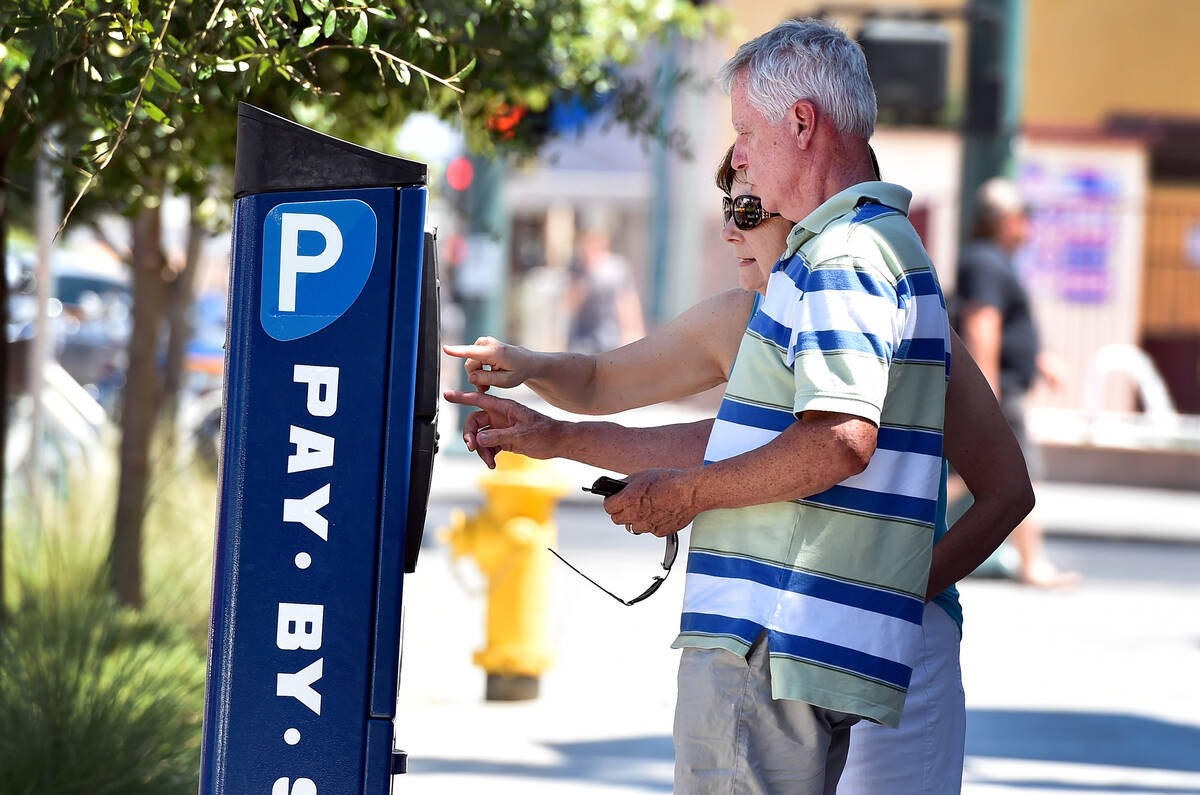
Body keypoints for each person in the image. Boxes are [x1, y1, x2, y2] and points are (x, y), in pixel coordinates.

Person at [447, 141, 1032, 793]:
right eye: (726, 207)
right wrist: (538, 396)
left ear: (802, 212)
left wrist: (904, 591)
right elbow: (607, 384)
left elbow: (1006, 490)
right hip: (777, 638)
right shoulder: (744, 316)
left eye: (749, 209)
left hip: (900, 651)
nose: (729, 229)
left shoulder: (896, 307)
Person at [956, 176, 1078, 588]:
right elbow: (982, 324)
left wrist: (1037, 359)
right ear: (1006, 220)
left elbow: (1002, 327)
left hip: (1004, 387)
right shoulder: (986, 261)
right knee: (1016, 477)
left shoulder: (990, 261)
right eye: (1024, 217)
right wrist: (986, 392)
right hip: (1000, 392)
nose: (1029, 226)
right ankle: (1032, 564)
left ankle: (1029, 562)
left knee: (967, 478)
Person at [565, 216, 646, 353]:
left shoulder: (616, 268)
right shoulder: (578, 268)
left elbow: (627, 301)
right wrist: (586, 274)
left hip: (611, 337)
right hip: (583, 340)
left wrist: (634, 331)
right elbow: (570, 305)